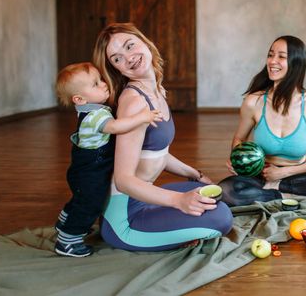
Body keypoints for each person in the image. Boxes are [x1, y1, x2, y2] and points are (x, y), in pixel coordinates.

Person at [92, 22, 233, 251]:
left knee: (213, 197)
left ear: (145, 42)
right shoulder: (134, 101)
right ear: (115, 68)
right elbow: (123, 180)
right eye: (117, 59)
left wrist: (196, 175)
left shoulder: (155, 89)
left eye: (130, 46)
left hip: (143, 199)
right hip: (126, 220)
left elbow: (156, 154)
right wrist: (179, 201)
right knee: (221, 219)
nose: (128, 58)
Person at [219, 36, 306, 206]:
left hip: (297, 175)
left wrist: (283, 174)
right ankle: (283, 197)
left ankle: (281, 189)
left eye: (281, 56)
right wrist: (239, 160)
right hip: (261, 176)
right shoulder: (254, 102)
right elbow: (239, 138)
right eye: (270, 55)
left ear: (296, 63)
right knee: (226, 191)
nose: (272, 61)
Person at [54, 62, 163, 257]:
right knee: (90, 204)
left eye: (101, 80)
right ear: (79, 99)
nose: (104, 84)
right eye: (95, 84)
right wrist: (142, 117)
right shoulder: (94, 116)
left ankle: (65, 219)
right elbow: (115, 127)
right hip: (90, 171)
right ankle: (68, 240)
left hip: (84, 169)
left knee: (81, 198)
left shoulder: (93, 110)